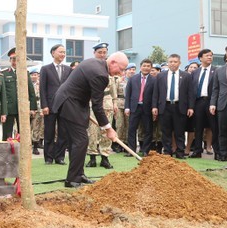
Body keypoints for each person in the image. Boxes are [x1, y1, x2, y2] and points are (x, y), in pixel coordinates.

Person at [53, 52, 129, 188]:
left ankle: (78, 174)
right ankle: (72, 180)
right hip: (70, 103)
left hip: (71, 102)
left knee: (78, 141)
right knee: (80, 141)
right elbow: (97, 106)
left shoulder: (95, 63)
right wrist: (108, 129)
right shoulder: (101, 74)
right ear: (112, 63)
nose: (121, 73)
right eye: (121, 69)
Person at [152, 53, 195, 159]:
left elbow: (191, 93)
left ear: (179, 63)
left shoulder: (186, 76)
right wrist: (154, 106)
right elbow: (156, 93)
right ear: (168, 62)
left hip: (179, 107)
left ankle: (180, 152)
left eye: (175, 61)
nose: (173, 64)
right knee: (165, 131)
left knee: (179, 132)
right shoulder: (161, 76)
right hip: (164, 107)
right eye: (170, 61)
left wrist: (191, 107)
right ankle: (167, 152)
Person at [39, 44, 71, 165]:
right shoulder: (46, 69)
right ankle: (48, 157)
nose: (62, 54)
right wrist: (44, 105)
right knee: (49, 132)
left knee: (63, 132)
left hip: (64, 106)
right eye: (60, 52)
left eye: (64, 52)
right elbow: (43, 89)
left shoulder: (68, 69)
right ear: (53, 53)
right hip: (50, 106)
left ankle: (60, 157)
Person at [1, 47, 37, 140]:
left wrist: (32, 108)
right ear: (10, 60)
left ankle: (21, 153)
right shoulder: (4, 74)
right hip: (8, 108)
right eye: (13, 59)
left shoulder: (25, 73)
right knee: (7, 133)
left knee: (23, 133)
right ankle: (7, 153)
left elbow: (31, 92)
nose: (15, 61)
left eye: (17, 59)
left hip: (23, 108)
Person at [124, 59, 156, 157]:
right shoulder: (133, 78)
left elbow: (155, 95)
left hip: (147, 108)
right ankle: (132, 151)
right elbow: (128, 94)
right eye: (144, 65)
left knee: (148, 130)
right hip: (134, 107)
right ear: (140, 66)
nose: (146, 68)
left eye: (148, 66)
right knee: (132, 129)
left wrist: (154, 107)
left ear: (150, 68)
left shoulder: (154, 80)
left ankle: (145, 151)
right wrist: (127, 107)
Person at [189, 50, 218, 159]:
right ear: (200, 58)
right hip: (198, 102)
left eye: (211, 55)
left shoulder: (217, 71)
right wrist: (191, 106)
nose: (210, 57)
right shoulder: (195, 72)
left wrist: (214, 103)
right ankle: (197, 151)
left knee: (214, 127)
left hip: (211, 102)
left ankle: (218, 151)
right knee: (198, 127)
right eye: (207, 56)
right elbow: (191, 91)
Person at [30, 67, 44, 154]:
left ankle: (35, 146)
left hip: (38, 108)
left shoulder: (40, 85)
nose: (34, 76)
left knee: (36, 128)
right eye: (32, 75)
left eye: (36, 75)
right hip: (27, 108)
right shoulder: (26, 84)